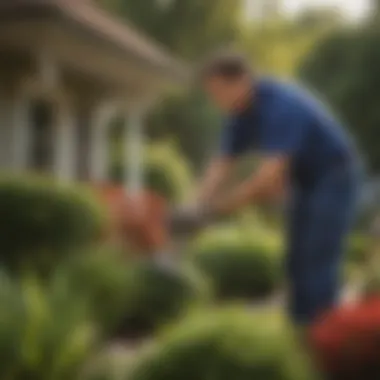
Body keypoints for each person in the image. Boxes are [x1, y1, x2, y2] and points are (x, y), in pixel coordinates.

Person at [170, 51, 362, 326]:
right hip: (305, 181)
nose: (216, 101)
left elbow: (268, 177)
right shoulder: (238, 114)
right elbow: (220, 164)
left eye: (219, 92)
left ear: (242, 81)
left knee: (317, 261)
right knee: (295, 263)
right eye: (211, 94)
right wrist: (196, 204)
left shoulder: (280, 104)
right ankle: (298, 335)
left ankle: (322, 342)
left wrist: (222, 207)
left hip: (334, 176)